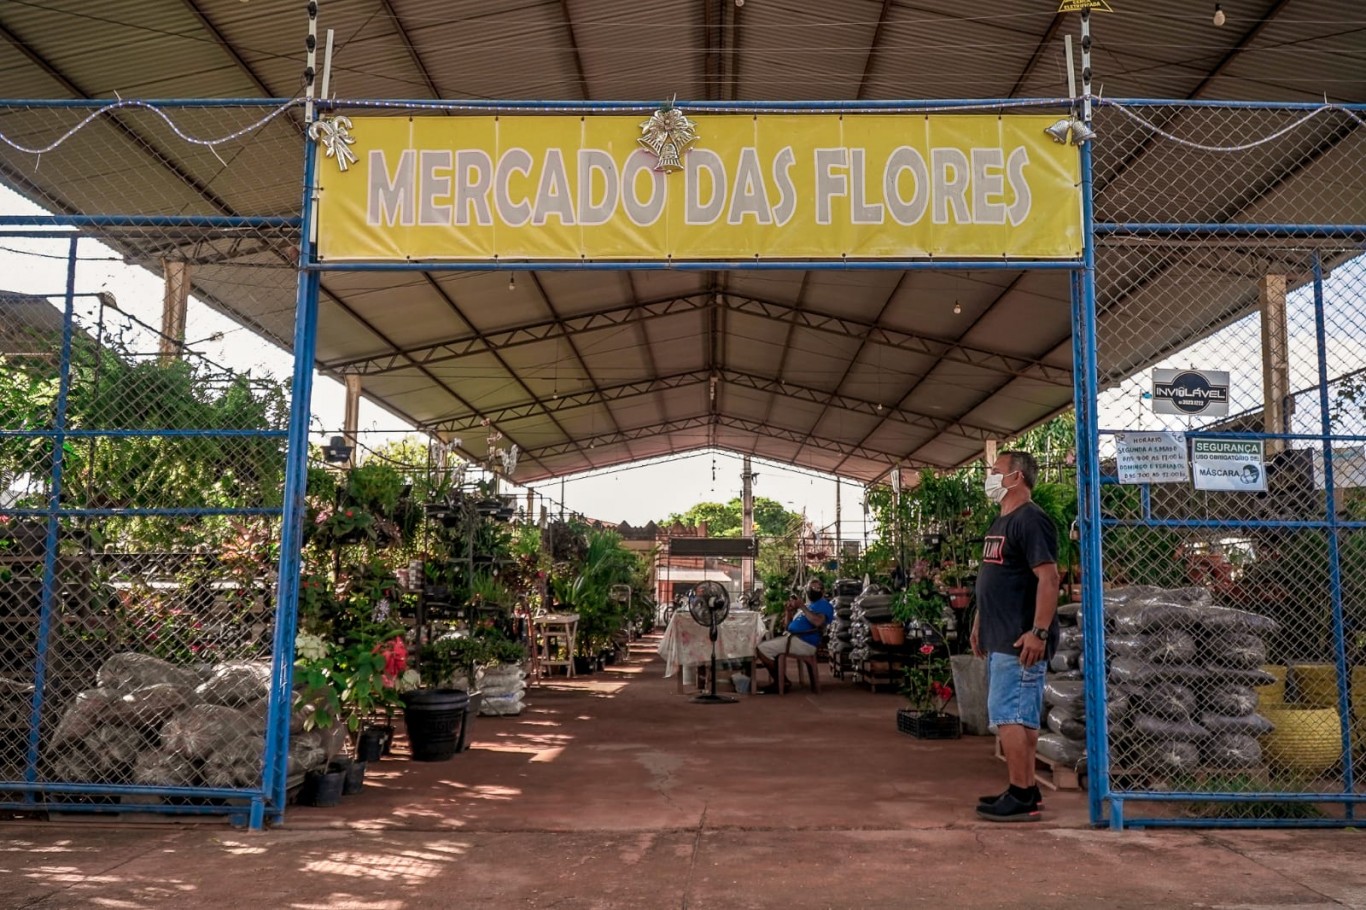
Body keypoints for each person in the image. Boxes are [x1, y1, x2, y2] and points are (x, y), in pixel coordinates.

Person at [971, 450, 1060, 822]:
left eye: (996, 472)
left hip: (1020, 638)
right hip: (998, 634)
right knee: (1018, 717)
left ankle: (1022, 794)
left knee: (1009, 715)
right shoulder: (1001, 520)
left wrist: (1038, 632)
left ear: (1017, 477)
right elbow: (995, 578)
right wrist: (979, 622)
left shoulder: (1031, 520)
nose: (990, 478)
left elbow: (1049, 578)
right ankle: (1023, 787)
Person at [756, 579, 834, 693]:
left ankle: (781, 682)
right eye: (810, 588)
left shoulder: (824, 605)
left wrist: (802, 607)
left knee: (762, 649)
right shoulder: (808, 606)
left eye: (816, 588)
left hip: (804, 642)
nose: (813, 591)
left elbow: (818, 622)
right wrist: (788, 612)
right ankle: (781, 681)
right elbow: (787, 627)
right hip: (793, 639)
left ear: (823, 591)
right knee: (765, 647)